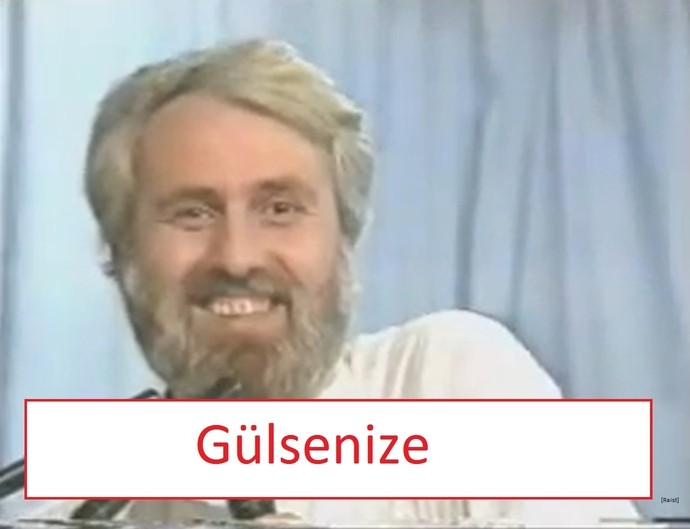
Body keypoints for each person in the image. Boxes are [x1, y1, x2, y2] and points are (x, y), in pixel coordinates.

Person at [42, 39, 639, 526]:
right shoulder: (70, 508)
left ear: (345, 237)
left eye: (280, 208)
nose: (238, 258)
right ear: (118, 250)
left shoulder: (446, 380)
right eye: (192, 214)